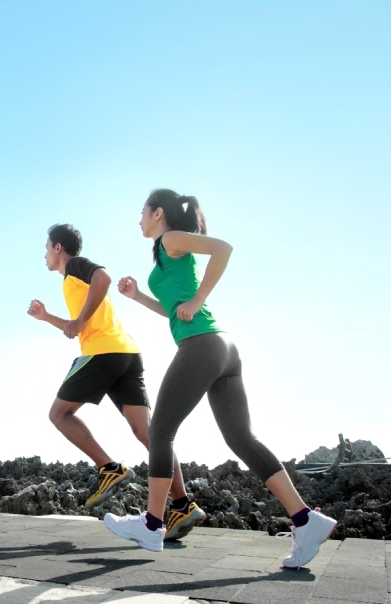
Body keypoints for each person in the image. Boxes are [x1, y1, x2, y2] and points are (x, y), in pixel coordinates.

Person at [104, 189, 336, 567]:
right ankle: (305, 519)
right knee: (242, 439)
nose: (139, 220)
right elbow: (175, 312)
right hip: (220, 347)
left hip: (202, 346)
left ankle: (151, 523)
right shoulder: (167, 251)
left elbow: (224, 248)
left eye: (142, 212)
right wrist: (139, 297)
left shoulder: (170, 238)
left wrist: (197, 301)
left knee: (160, 431)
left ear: (158, 213)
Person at [28, 224, 204, 540]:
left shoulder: (74, 267)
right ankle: (182, 504)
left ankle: (109, 469)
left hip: (103, 353)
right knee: (149, 434)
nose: (44, 254)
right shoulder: (73, 284)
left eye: (46, 248)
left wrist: (80, 320)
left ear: (58, 248)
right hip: (126, 353)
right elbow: (76, 327)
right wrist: (47, 318)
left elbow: (103, 279)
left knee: (58, 414)